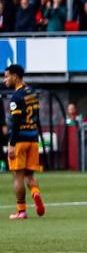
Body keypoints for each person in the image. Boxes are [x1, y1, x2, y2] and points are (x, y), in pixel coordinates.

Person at [5, 65, 45, 220]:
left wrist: (12, 144)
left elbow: (15, 123)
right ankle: (35, 193)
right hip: (33, 139)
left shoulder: (16, 97)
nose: (5, 79)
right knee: (30, 174)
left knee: (18, 177)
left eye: (7, 76)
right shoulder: (33, 93)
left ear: (15, 76)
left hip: (20, 140)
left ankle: (21, 211)